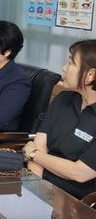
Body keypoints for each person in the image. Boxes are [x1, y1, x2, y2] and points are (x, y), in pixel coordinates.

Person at [24, 39, 96, 200]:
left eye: (71, 63)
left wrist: (33, 154)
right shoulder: (64, 98)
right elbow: (40, 143)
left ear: (91, 75)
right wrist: (33, 188)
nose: (64, 68)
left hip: (74, 201)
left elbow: (79, 173)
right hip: (37, 182)